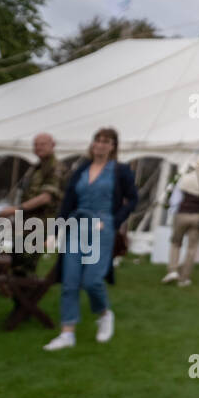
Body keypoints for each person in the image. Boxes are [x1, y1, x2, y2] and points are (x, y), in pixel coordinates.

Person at [43, 127, 137, 351]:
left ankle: (104, 314)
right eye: (98, 140)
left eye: (106, 141)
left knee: (92, 281)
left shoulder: (120, 170)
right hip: (76, 225)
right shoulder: (81, 169)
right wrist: (54, 232)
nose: (101, 144)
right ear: (93, 143)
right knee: (70, 281)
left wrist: (115, 221)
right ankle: (67, 333)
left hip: (102, 227)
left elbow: (133, 199)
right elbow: (68, 202)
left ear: (113, 146)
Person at [0, 133, 65, 277]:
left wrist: (16, 210)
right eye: (36, 144)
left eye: (42, 144)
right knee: (16, 264)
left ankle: (26, 297)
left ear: (53, 145)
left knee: (24, 269)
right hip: (26, 224)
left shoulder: (54, 167)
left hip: (40, 224)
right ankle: (17, 293)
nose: (38, 147)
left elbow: (46, 197)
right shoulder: (37, 167)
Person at [162, 155, 199, 287]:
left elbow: (176, 199)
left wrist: (173, 211)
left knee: (176, 242)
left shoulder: (185, 178)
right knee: (192, 248)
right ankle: (184, 277)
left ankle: (173, 269)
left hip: (182, 214)